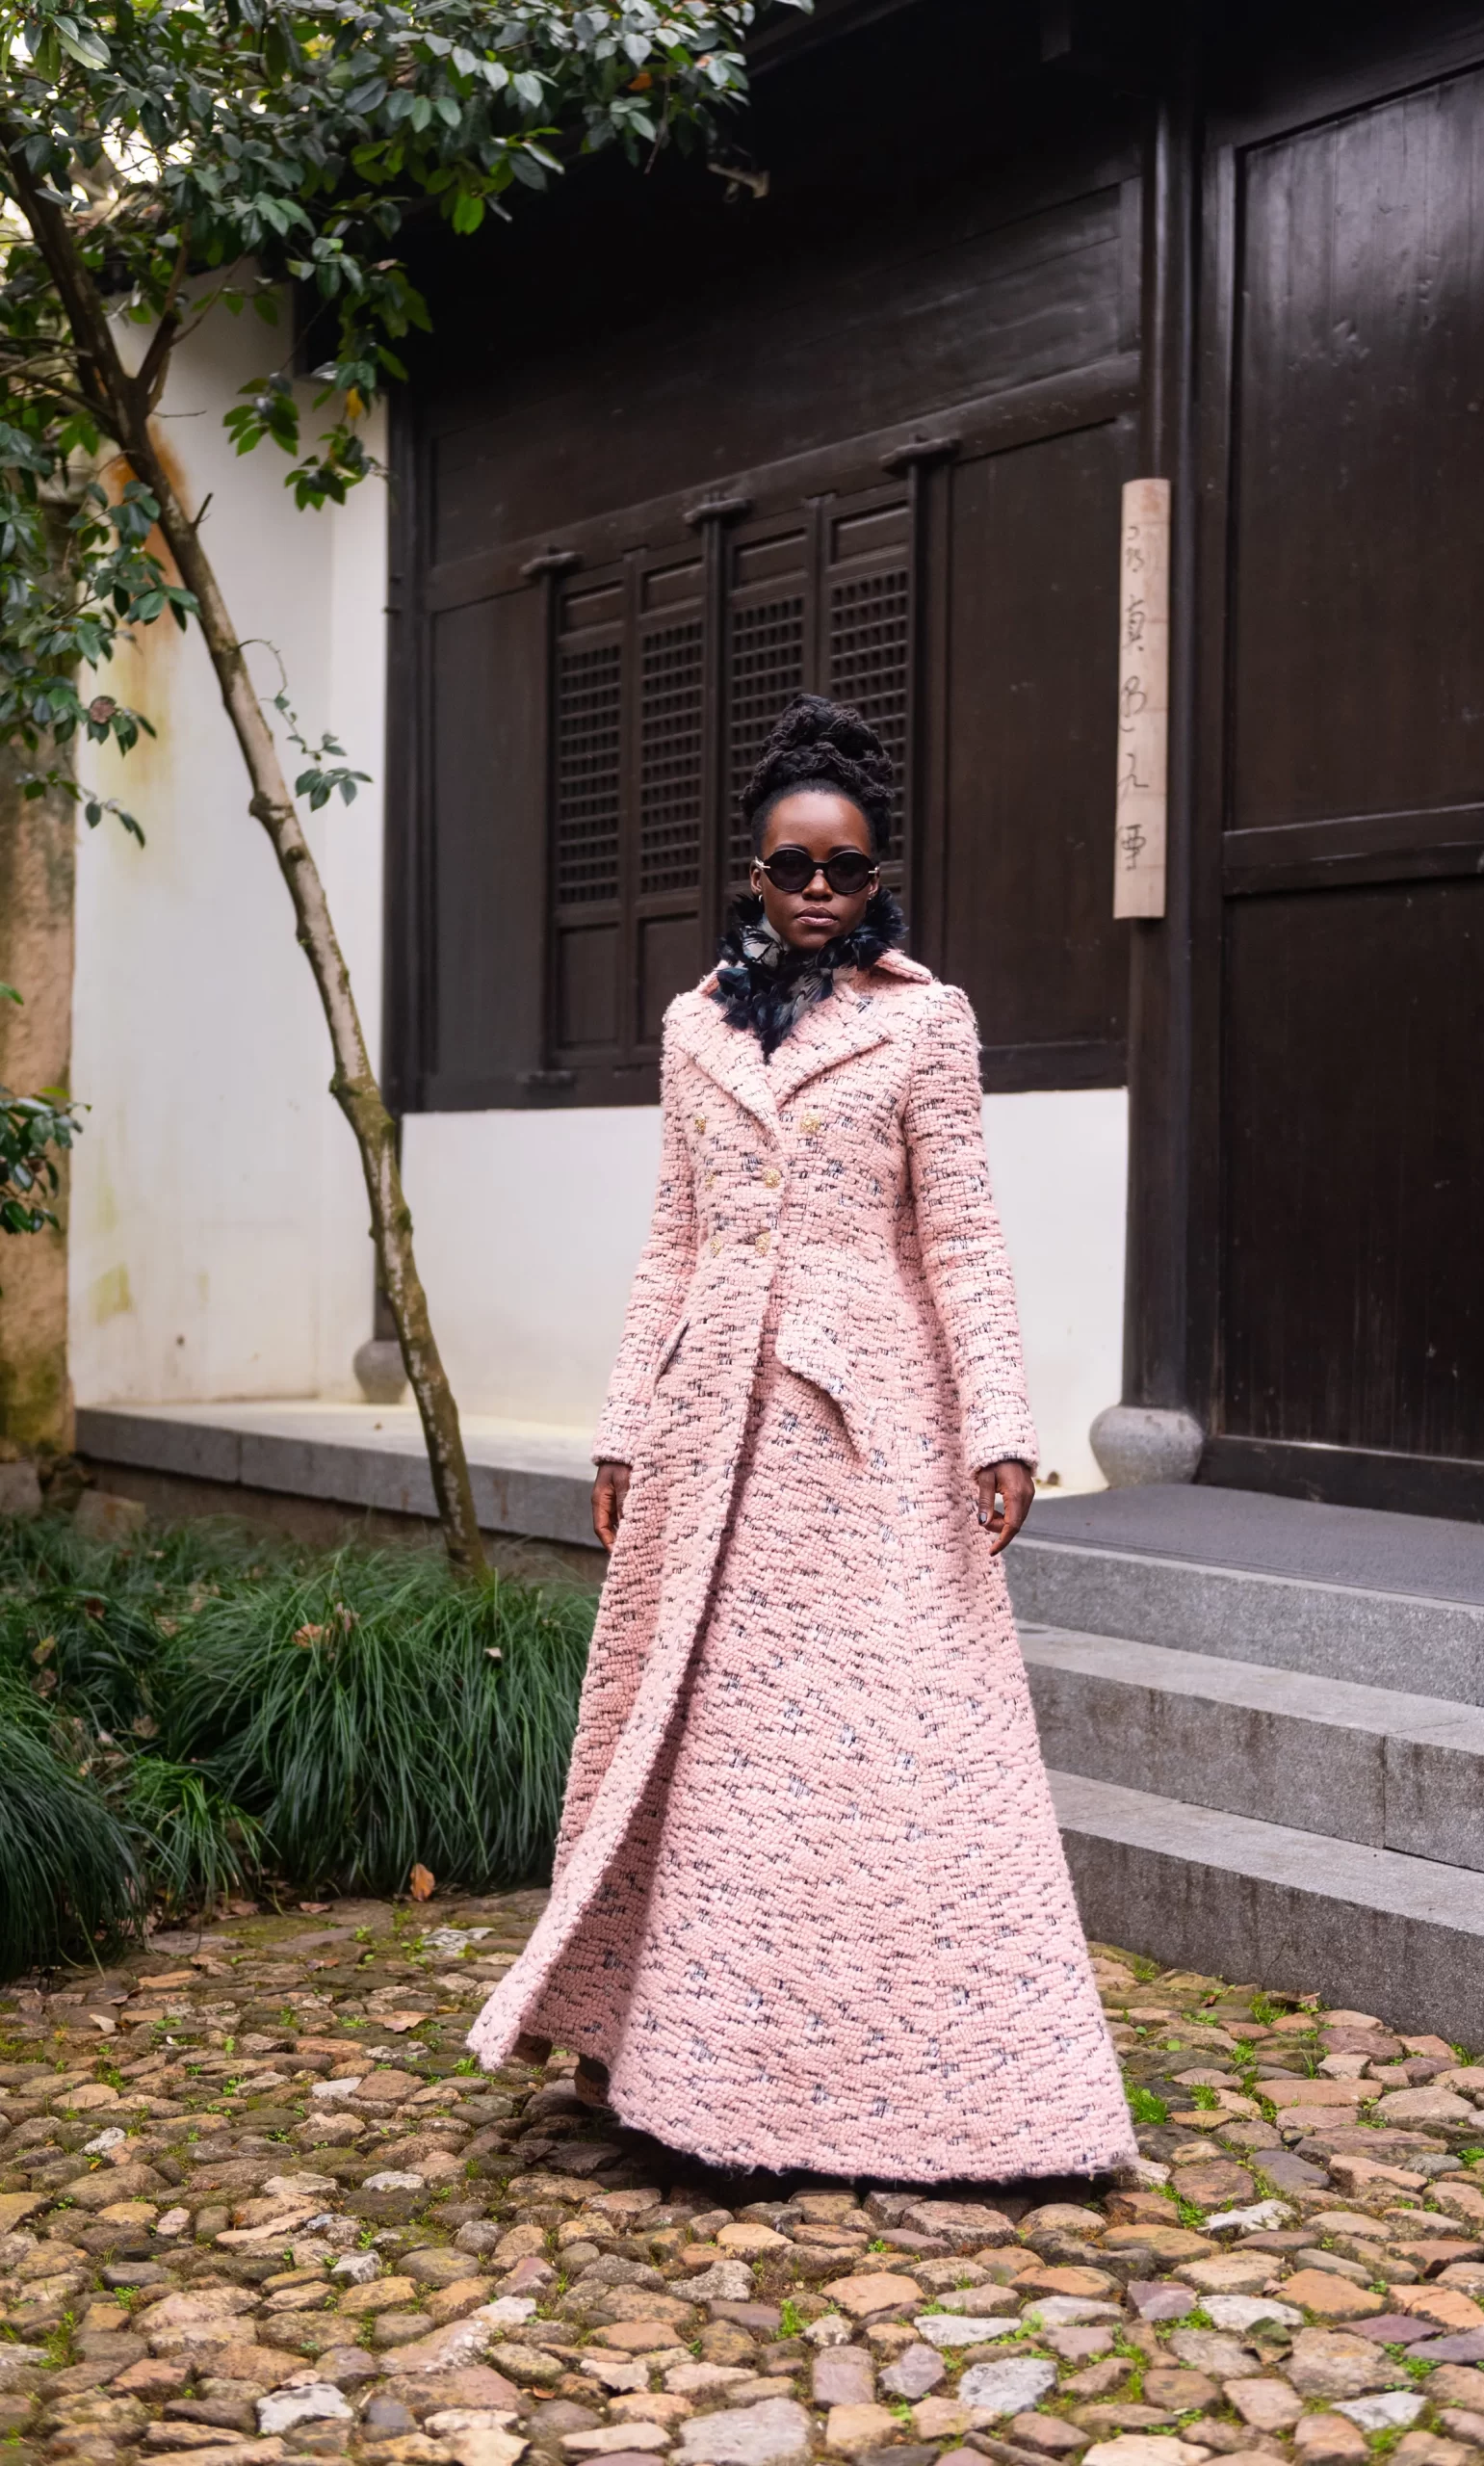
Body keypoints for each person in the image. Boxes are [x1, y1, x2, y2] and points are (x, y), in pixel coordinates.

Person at [469, 695, 1135, 2182]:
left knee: (869, 1754)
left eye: (846, 868)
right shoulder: (692, 1026)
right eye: (793, 867)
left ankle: (924, 2088)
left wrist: (999, 1427)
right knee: (708, 1755)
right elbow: (671, 1240)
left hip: (869, 1439)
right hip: (710, 1435)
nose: (820, 892)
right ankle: (688, 2075)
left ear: (878, 872)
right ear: (752, 873)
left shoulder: (925, 1020)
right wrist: (623, 1430)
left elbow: (960, 1235)